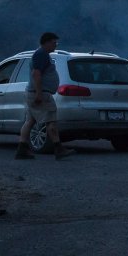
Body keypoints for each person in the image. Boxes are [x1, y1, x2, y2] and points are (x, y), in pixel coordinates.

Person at [16, 32, 75, 160]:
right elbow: (36, 74)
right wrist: (39, 93)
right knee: (51, 121)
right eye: (54, 42)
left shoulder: (42, 54)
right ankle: (58, 148)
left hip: (34, 93)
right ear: (47, 42)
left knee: (30, 121)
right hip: (41, 94)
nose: (56, 45)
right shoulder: (41, 54)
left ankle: (21, 149)